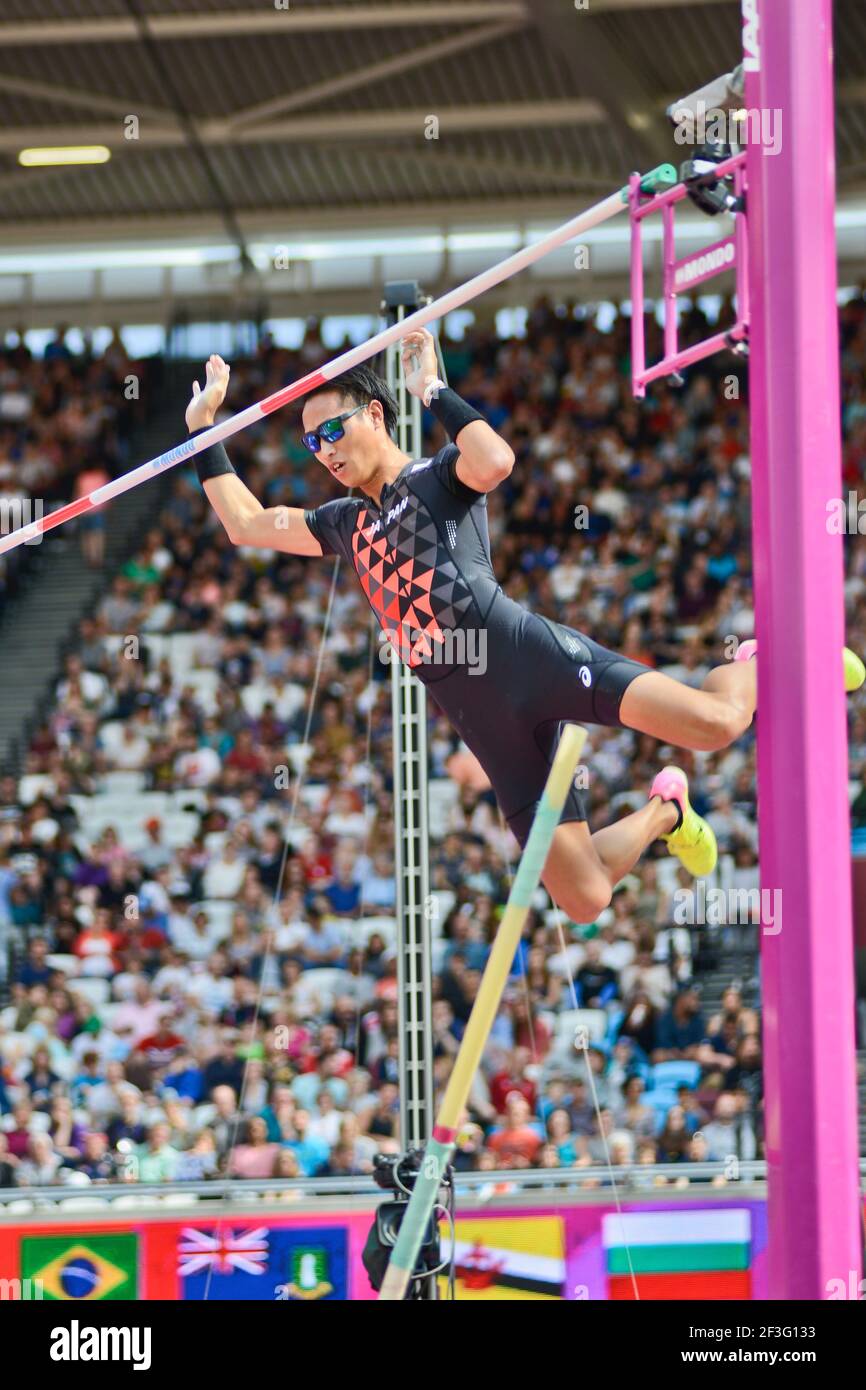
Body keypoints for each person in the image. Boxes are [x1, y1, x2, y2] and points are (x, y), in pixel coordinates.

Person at [187, 345, 863, 924]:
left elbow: (496, 459)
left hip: (531, 660)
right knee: (586, 897)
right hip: (484, 723)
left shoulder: (433, 479)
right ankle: (668, 812)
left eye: (331, 429)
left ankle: (757, 659)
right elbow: (246, 523)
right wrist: (203, 430)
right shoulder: (341, 523)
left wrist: (433, 389)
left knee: (716, 723)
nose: (324, 450)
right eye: (311, 442)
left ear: (372, 414)